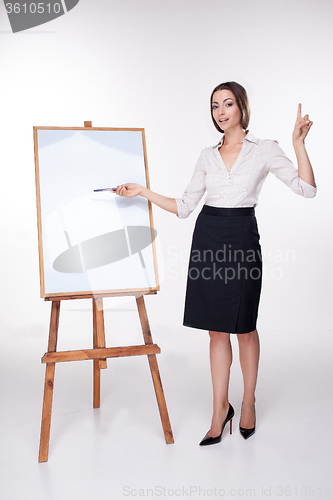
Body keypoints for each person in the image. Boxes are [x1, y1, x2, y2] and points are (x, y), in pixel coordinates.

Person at [113, 81, 317, 446]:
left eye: (227, 104)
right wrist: (142, 191)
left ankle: (248, 400)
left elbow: (307, 189)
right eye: (214, 106)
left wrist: (299, 144)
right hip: (207, 237)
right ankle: (219, 409)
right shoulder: (206, 156)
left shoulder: (266, 149)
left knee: (244, 327)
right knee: (215, 330)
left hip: (241, 236)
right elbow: (184, 206)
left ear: (242, 107)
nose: (220, 112)